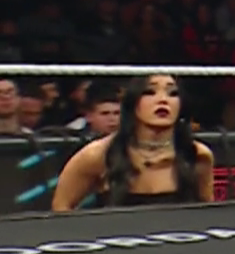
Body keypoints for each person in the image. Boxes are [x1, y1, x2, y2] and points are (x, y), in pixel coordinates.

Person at [50, 75, 215, 210]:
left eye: (173, 93)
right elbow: (61, 206)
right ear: (133, 102)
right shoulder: (98, 155)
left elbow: (206, 215)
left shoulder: (197, 155)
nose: (163, 100)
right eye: (150, 92)